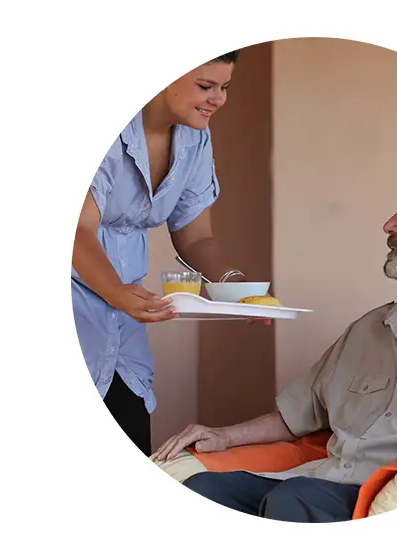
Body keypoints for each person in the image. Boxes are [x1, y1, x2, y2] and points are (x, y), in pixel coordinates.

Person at [152, 171, 397, 522]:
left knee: (292, 501)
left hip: (378, 496)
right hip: (318, 480)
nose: (389, 224)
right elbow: (296, 415)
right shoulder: (368, 329)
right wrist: (223, 437)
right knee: (203, 492)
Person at [72, 50, 259, 457]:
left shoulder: (195, 137)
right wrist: (114, 290)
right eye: (205, 86)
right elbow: (75, 229)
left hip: (123, 323)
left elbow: (195, 239)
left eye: (225, 87)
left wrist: (233, 285)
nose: (219, 100)